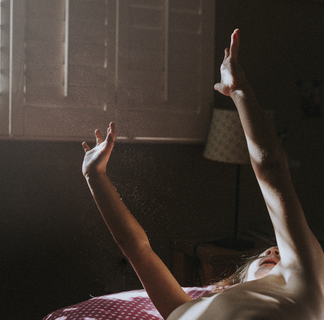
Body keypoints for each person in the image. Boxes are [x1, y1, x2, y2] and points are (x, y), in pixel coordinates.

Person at [81, 29, 324, 320]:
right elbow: (138, 249)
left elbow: (273, 169)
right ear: (235, 280)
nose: (274, 250)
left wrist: (240, 91)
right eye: (272, 251)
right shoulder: (185, 307)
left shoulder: (305, 282)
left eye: (279, 254)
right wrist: (95, 176)